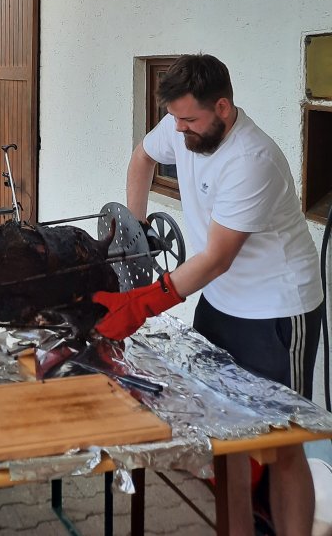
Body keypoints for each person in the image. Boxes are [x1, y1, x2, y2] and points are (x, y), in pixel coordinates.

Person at [92, 54, 322, 535]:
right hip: (220, 302)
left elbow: (217, 256)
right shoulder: (185, 125)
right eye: (175, 118)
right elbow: (143, 157)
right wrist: (132, 247)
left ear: (222, 107)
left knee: (282, 441)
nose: (179, 130)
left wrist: (144, 302)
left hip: (277, 309)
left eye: (189, 119)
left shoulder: (251, 159)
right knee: (224, 434)